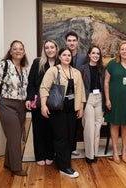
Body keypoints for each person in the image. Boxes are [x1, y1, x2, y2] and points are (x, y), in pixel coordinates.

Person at [39, 47, 86, 178]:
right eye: (64, 55)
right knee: (61, 137)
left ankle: (63, 161)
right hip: (58, 109)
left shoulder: (76, 72)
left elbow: (81, 91)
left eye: (69, 55)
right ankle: (64, 167)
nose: (67, 57)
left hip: (72, 109)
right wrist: (43, 106)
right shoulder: (53, 70)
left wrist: (81, 108)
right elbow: (44, 88)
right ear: (59, 57)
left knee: (70, 137)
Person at [0, 40, 29, 176]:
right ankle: (16, 167)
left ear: (24, 52)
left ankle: (8, 162)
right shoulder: (4, 65)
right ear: (10, 51)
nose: (18, 51)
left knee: (13, 136)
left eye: (21, 49)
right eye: (15, 49)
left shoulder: (24, 68)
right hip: (7, 104)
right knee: (15, 136)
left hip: (21, 106)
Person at [25, 40, 58, 166]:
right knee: (39, 129)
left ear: (56, 48)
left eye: (52, 47)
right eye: (47, 48)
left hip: (54, 102)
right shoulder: (37, 62)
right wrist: (29, 98)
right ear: (44, 50)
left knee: (51, 129)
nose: (49, 50)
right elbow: (31, 82)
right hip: (38, 101)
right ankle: (40, 155)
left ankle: (50, 154)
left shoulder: (60, 62)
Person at [81, 46, 105, 164]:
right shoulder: (83, 69)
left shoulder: (103, 69)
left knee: (97, 127)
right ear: (89, 54)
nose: (96, 55)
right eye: (93, 53)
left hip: (100, 98)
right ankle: (89, 155)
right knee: (89, 127)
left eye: (98, 54)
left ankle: (95, 153)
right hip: (88, 98)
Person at [65, 31, 87, 156]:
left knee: (75, 123)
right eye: (69, 40)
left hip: (77, 94)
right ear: (66, 42)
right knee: (63, 123)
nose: (72, 43)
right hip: (64, 95)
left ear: (77, 42)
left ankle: (72, 147)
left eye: (74, 40)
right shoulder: (61, 56)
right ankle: (63, 147)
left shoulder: (83, 58)